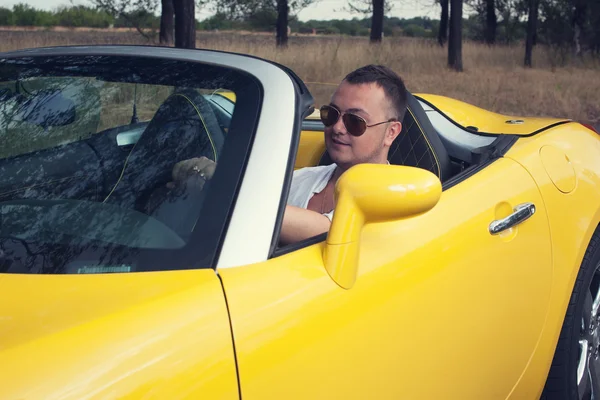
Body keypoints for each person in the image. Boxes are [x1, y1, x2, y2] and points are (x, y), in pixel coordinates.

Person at [170, 64, 408, 246]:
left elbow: (333, 230)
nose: (337, 127)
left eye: (355, 121)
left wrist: (221, 180)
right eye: (332, 114)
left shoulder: (394, 198)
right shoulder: (304, 178)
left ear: (391, 132)